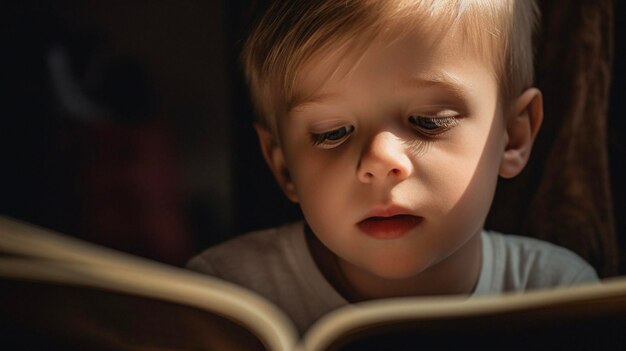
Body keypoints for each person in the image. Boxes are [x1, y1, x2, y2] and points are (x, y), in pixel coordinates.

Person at [188, 0, 598, 333]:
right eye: (333, 133)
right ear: (284, 167)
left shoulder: (559, 293)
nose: (381, 162)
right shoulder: (224, 297)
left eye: (429, 121)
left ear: (514, 135)